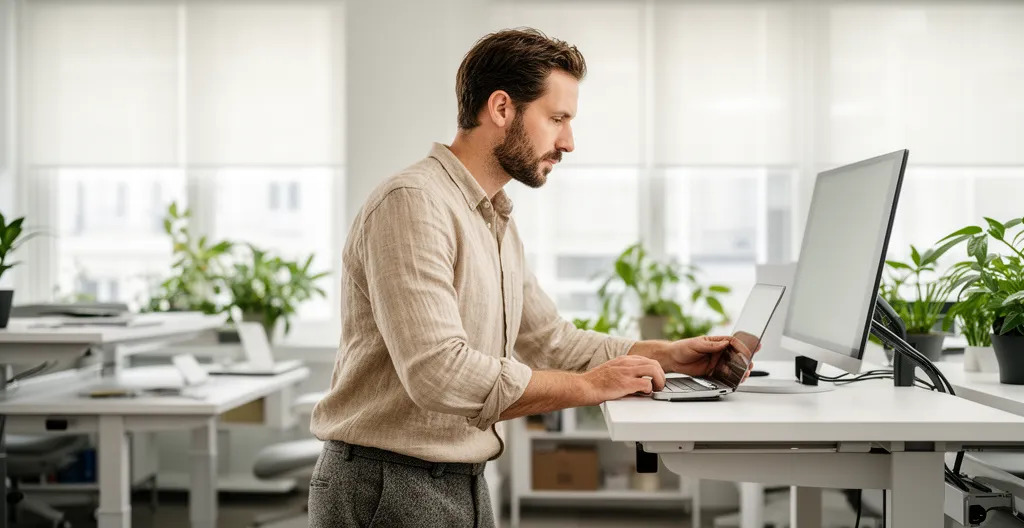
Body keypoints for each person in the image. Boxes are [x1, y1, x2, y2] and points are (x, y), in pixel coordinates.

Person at [307, 27, 756, 528]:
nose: (568, 142)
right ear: (501, 109)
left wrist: (667, 356)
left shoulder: (491, 217)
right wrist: (588, 387)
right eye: (557, 118)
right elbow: (439, 373)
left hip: (458, 479)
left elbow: (552, 341)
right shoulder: (413, 203)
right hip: (388, 485)